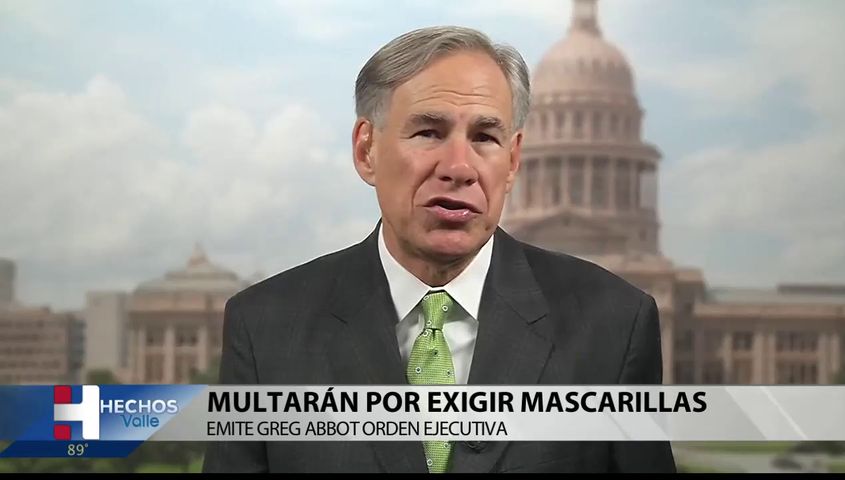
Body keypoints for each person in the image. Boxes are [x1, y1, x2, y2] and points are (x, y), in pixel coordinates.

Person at [203, 25, 676, 473]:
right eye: (429, 132)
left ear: (513, 161)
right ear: (367, 150)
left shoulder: (615, 325)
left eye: (484, 137)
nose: (459, 168)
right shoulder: (265, 327)